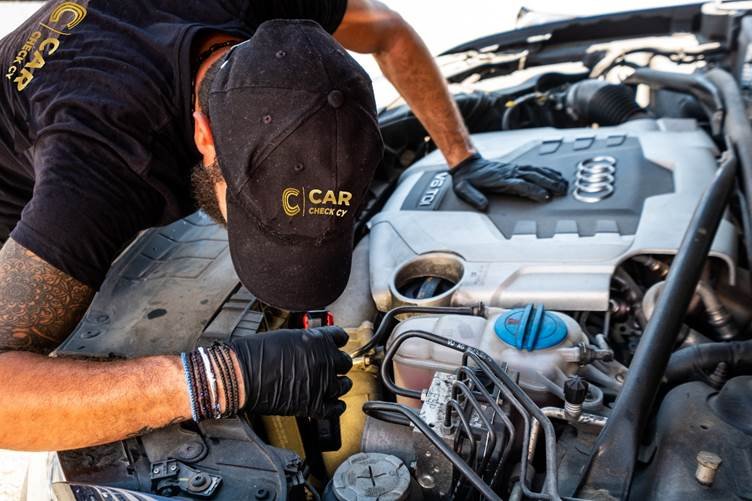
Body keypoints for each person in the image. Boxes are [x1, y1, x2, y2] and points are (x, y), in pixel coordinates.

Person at [0, 0, 567, 451]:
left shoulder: (266, 14)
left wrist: (461, 157)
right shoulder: (104, 166)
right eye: (254, 213)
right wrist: (221, 377)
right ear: (202, 135)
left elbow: (388, 32)